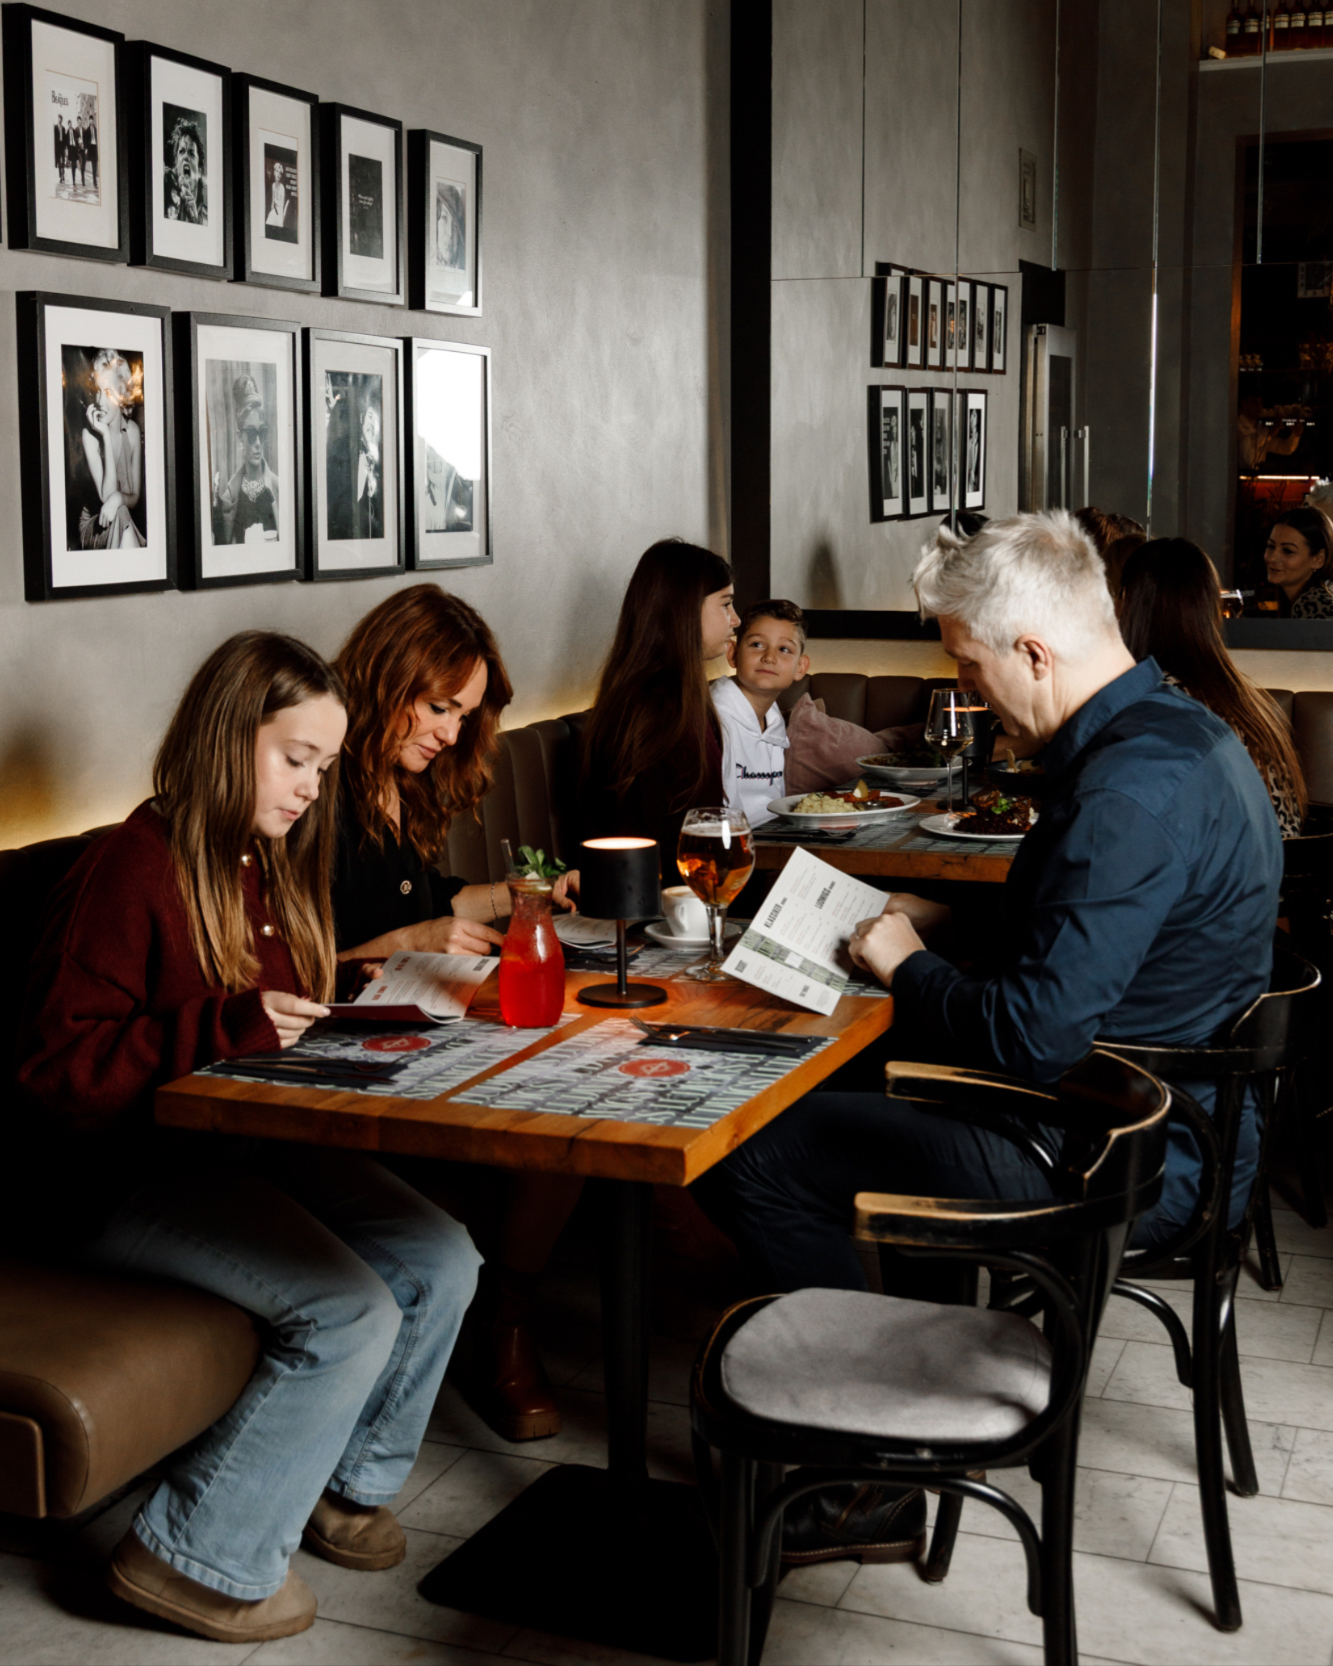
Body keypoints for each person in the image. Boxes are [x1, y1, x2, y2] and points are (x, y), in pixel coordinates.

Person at [694, 510, 1281, 1565]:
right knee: (839, 1084)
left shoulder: (1126, 789)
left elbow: (1029, 1037)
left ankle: (869, 1475)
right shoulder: (1177, 734)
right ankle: (903, 1373)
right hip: (1150, 1117)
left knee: (750, 1148)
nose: (971, 699)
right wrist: (942, 924)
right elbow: (1079, 947)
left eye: (970, 665)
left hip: (1109, 1153)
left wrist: (906, 968)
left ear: (1033, 650)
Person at [14, 632, 481, 1645]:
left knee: (443, 1255)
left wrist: (357, 1002)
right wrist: (231, 1025)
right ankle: (195, 1558)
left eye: (322, 764)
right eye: (296, 759)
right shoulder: (126, 867)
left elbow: (266, 1011)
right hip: (111, 1178)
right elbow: (55, 1074)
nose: (315, 786)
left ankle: (337, 1485)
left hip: (227, 1148)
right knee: (349, 1308)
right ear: (229, 741)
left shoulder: (258, 859)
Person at [331, 586, 579, 1443]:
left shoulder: (394, 783)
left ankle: (503, 1315)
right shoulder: (308, 786)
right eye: (437, 707)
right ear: (384, 679)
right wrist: (409, 934)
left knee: (572, 1081)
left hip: (404, 1021)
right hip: (329, 1050)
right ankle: (502, 1324)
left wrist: (517, 898)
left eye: (462, 715)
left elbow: (425, 897)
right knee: (555, 1106)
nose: (447, 733)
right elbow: (278, 960)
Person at [1118, 537, 1307, 836]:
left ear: (1127, 602)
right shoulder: (1245, 699)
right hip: (1279, 876)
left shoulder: (1156, 703)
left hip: (1216, 879)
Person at [580, 538, 737, 884]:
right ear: (684, 609)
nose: (736, 619)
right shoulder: (658, 710)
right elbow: (673, 846)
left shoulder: (678, 697)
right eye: (725, 605)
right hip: (658, 908)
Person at [713, 599, 809, 830]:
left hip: (774, 835)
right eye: (757, 644)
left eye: (784, 649)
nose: (769, 657)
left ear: (800, 667)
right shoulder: (714, 718)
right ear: (733, 654)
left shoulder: (773, 717)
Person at [79, 349, 145, 550]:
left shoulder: (132, 432)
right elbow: (106, 496)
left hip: (120, 518)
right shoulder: (89, 436)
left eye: (108, 392)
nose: (100, 402)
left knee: (121, 510)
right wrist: (106, 436)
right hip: (94, 526)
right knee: (120, 512)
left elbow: (135, 496)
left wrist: (118, 499)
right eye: (97, 392)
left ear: (123, 393)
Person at [212, 374, 279, 544]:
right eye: (250, 434)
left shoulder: (279, 488)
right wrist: (215, 513)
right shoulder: (229, 497)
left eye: (261, 433)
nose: (257, 443)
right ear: (239, 437)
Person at [1263, 507, 1333, 618]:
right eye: (1271, 546)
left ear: (1318, 559)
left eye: (1288, 551)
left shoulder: (1314, 603)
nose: (1272, 558)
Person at [164, 113, 206, 223]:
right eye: (181, 151)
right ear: (176, 166)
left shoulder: (208, 219)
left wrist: (194, 220)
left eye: (191, 153)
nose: (185, 157)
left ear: (200, 171)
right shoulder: (164, 203)